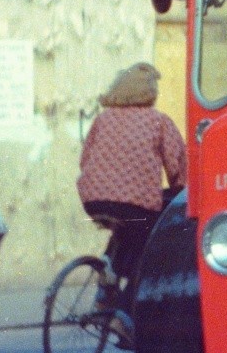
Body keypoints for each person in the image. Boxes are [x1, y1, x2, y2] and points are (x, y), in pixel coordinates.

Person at [76, 63, 186, 318]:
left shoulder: (102, 119)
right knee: (145, 250)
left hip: (94, 200)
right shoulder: (158, 121)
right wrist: (179, 185)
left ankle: (107, 281)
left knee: (126, 230)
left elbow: (86, 159)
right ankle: (124, 314)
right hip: (134, 204)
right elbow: (176, 163)